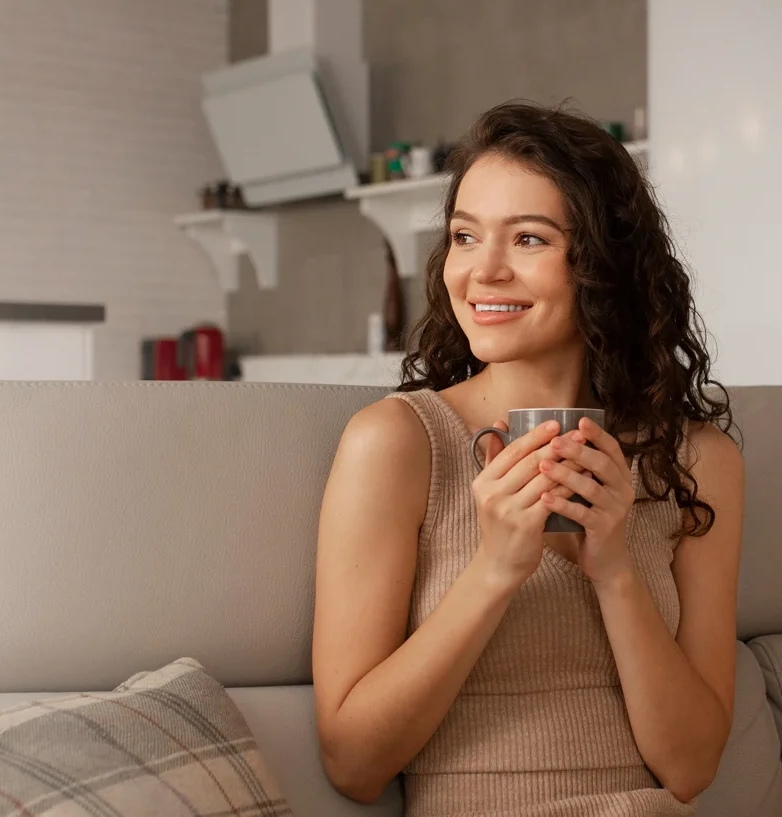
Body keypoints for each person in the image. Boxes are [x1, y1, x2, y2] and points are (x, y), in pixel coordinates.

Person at [311, 101, 742, 816]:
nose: (483, 271)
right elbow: (353, 762)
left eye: (530, 239)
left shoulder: (696, 459)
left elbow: (692, 766)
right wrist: (496, 568)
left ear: (603, 264)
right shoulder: (396, 442)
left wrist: (613, 571)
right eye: (464, 236)